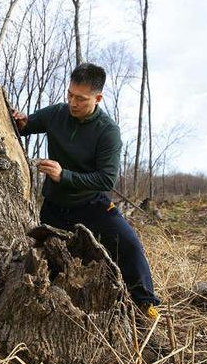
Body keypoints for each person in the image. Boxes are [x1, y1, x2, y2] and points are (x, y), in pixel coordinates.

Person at [12, 62, 161, 318]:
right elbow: (26, 126)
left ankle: (145, 303)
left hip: (92, 205)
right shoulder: (56, 114)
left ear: (98, 98)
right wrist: (22, 121)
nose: (72, 102)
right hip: (54, 207)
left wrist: (64, 175)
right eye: (69, 94)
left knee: (129, 246)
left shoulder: (108, 131)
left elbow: (106, 180)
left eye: (80, 98)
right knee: (50, 259)